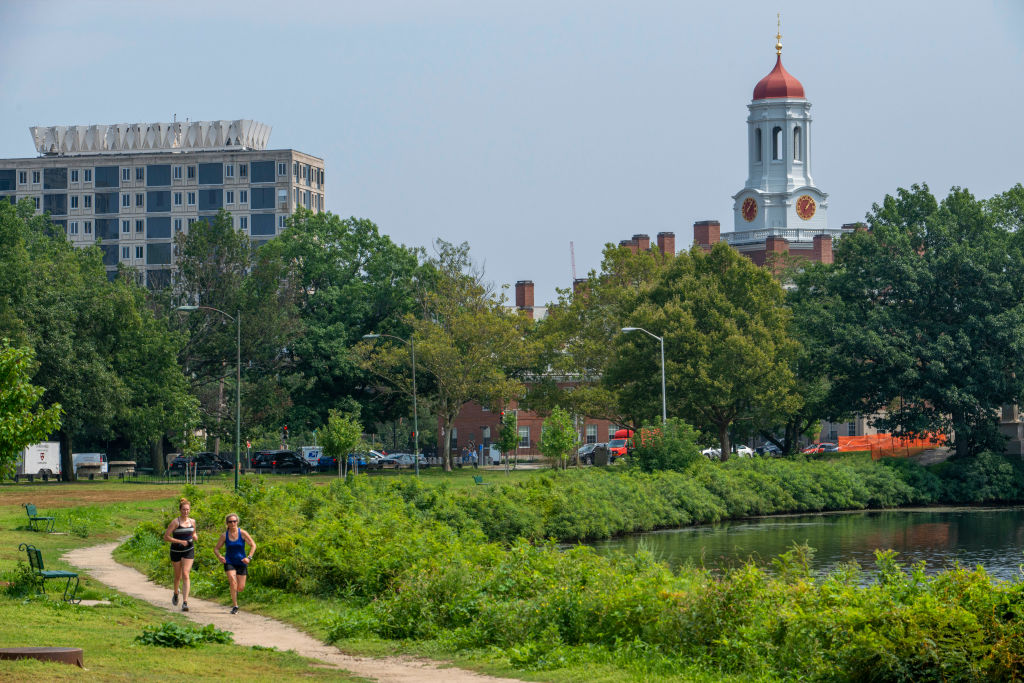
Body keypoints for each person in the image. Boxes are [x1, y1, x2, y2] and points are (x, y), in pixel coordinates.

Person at [214, 512, 257, 615]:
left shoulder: (242, 533)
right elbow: (216, 548)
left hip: (241, 562)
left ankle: (234, 592)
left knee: (240, 587)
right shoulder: (224, 536)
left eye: (234, 521)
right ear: (227, 523)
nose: (232, 523)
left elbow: (253, 545)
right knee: (233, 581)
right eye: (230, 522)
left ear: (237, 522)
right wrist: (220, 556)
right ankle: (235, 606)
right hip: (229, 561)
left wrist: (249, 558)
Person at [162, 497, 197, 612]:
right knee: (178, 576)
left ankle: (185, 602)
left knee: (186, 574)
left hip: (189, 550)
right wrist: (180, 541)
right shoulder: (175, 522)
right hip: (176, 551)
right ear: (180, 510)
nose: (186, 512)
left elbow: (194, 532)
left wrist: (195, 536)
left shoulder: (192, 522)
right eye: (184, 510)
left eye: (187, 510)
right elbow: (166, 537)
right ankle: (176, 593)